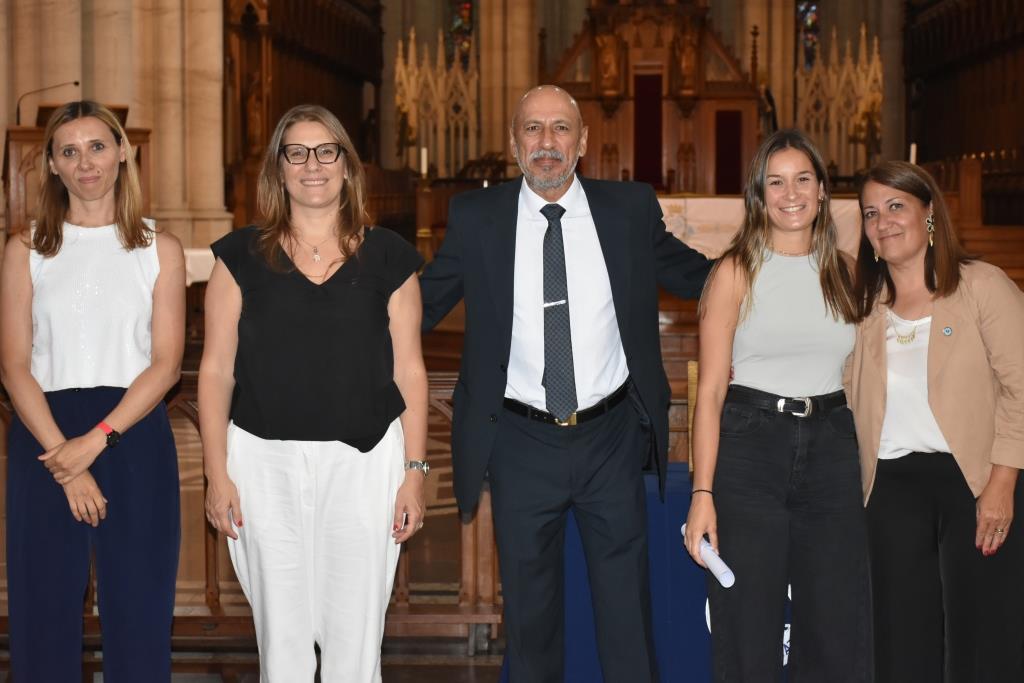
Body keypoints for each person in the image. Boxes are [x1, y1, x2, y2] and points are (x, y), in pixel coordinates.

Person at [419, 84, 712, 682]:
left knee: (627, 614)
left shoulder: (627, 209)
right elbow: (418, 305)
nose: (546, 142)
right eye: (533, 128)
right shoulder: (477, 218)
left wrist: (777, 270)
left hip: (611, 438)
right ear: (513, 143)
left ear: (582, 143)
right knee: (530, 622)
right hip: (520, 441)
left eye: (560, 129)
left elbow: (696, 277)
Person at [198, 104, 428, 682]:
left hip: (364, 464)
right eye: (296, 153)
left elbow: (410, 370)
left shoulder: (390, 256)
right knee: (283, 640)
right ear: (278, 169)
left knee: (355, 638)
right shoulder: (238, 257)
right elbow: (217, 370)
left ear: (347, 165)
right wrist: (217, 474)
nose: (312, 165)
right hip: (263, 465)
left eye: (326, 151)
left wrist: (415, 472)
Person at [0, 100, 185, 681]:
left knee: (139, 610)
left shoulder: (160, 248)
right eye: (70, 151)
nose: (86, 163)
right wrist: (66, 458)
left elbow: (167, 364)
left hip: (132, 430)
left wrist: (96, 441)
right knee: (43, 612)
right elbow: (13, 365)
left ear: (123, 152)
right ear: (52, 165)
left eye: (98, 146)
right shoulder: (26, 249)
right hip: (44, 434)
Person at [683, 129, 870, 682]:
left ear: (822, 190)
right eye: (777, 182)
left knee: (834, 622)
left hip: (832, 446)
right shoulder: (734, 272)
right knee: (747, 623)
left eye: (803, 180)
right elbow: (710, 392)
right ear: (759, 194)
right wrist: (702, 493)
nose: (792, 194)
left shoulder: (847, 272)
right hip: (750, 446)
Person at [848, 161, 1024, 683]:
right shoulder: (864, 306)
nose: (883, 222)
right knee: (901, 643)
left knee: (982, 640)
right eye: (870, 213)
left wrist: (1001, 483)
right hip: (890, 490)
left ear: (928, 213)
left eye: (895, 206)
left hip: (974, 482)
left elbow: (1020, 387)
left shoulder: (981, 285)